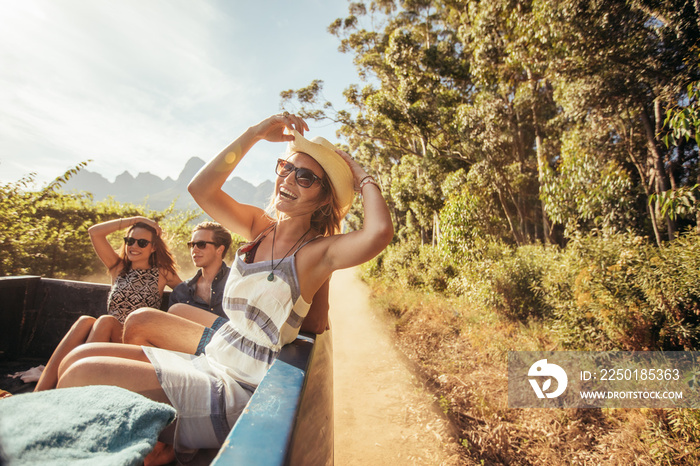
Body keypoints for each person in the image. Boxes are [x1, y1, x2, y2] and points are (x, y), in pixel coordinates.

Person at [52, 112, 394, 461]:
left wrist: (360, 176)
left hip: (238, 388)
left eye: (305, 177)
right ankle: (156, 446)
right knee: (79, 358)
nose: (289, 179)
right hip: (214, 357)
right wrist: (255, 133)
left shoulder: (316, 252)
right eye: (286, 168)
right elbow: (200, 189)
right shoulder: (260, 227)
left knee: (82, 374)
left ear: (323, 198)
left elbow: (378, 233)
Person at [34, 216, 181, 391]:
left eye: (142, 243)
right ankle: (39, 392)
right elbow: (94, 232)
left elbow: (187, 294)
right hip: (108, 337)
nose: (134, 246)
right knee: (85, 321)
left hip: (135, 341)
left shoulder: (163, 273)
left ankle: (71, 387)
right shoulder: (118, 268)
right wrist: (137, 219)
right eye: (130, 241)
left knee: (105, 320)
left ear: (153, 247)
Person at [122, 221, 233, 354]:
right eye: (192, 245)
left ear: (219, 249)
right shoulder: (181, 291)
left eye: (201, 245)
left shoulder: (237, 282)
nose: (194, 250)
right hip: (191, 355)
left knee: (176, 310)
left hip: (230, 348)